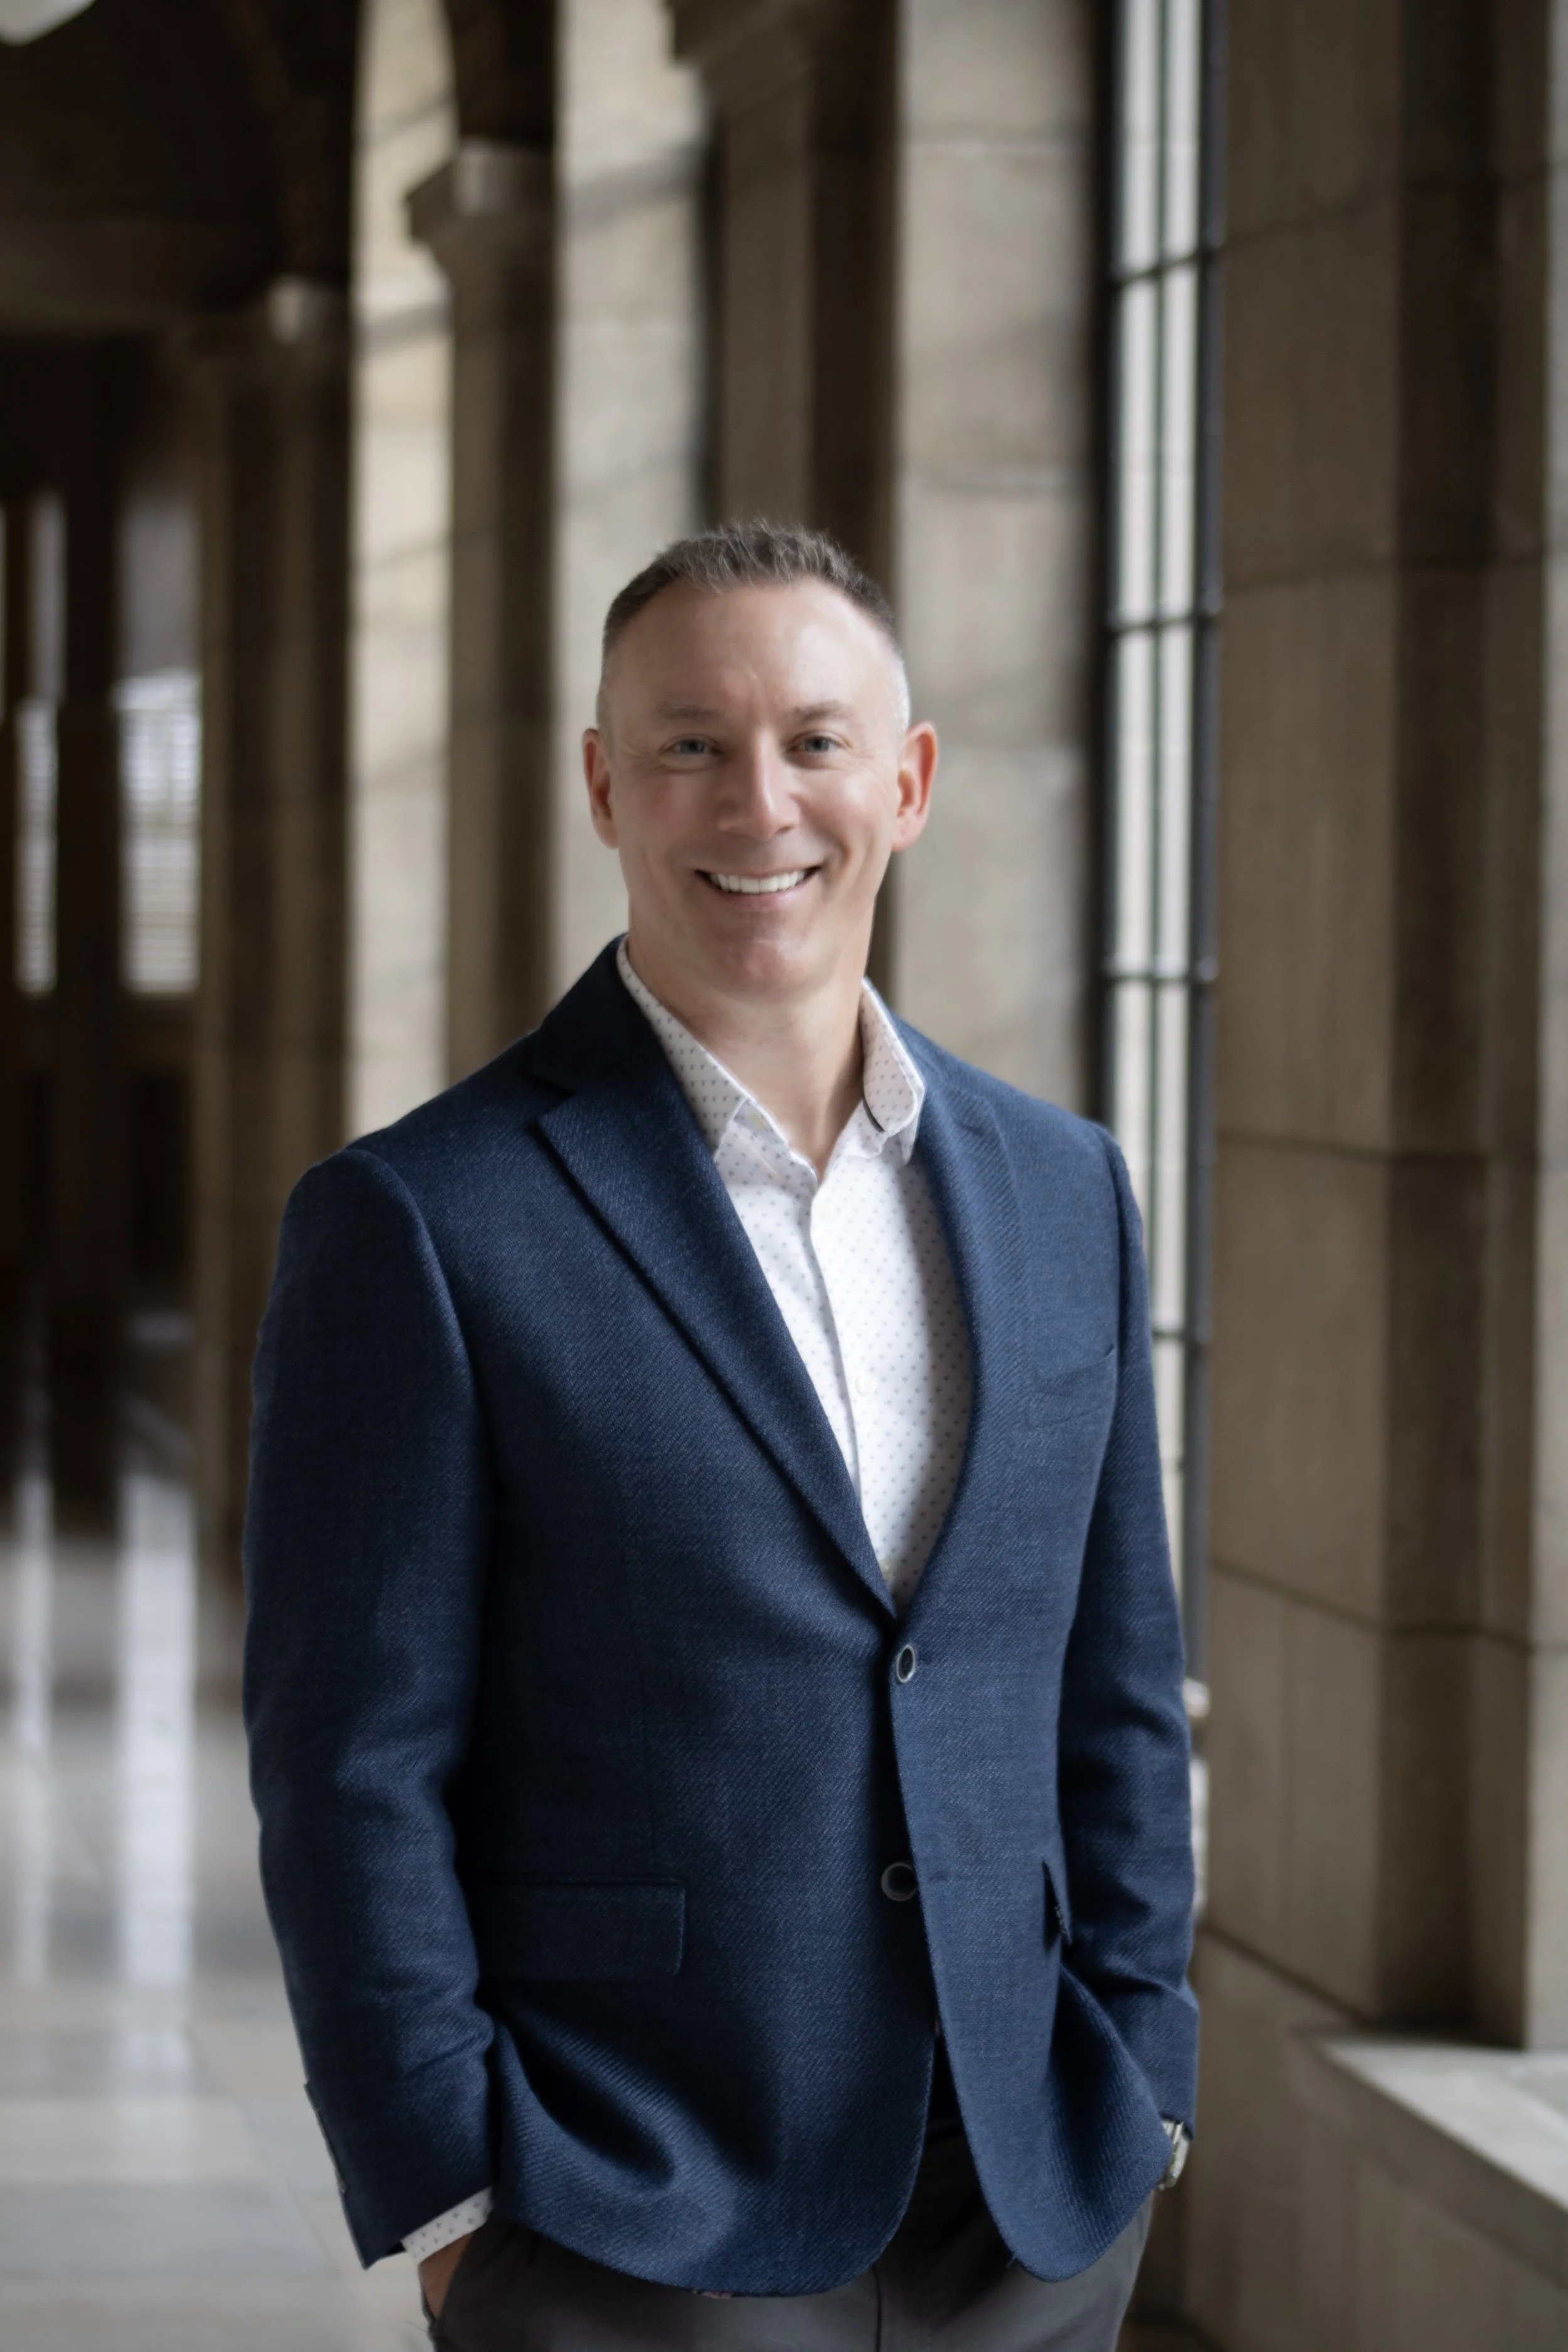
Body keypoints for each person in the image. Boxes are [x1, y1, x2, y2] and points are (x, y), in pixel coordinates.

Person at [243, 521, 1197, 2351]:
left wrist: (1145, 2075)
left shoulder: (1066, 1187)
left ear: (903, 782)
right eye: (689, 743)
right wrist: (451, 2195)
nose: (758, 801)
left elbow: (1116, 1680)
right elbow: (350, 1758)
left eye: (814, 740)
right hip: (628, 2203)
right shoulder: (419, 1220)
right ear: (606, 787)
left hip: (1028, 2202)